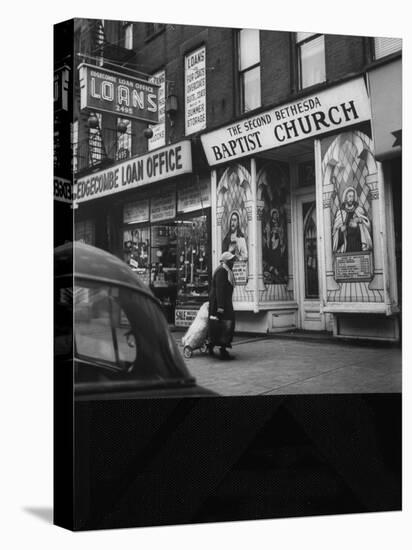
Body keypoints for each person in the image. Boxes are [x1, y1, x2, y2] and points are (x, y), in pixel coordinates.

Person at [208, 251, 236, 360]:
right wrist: (220, 307)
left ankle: (213, 344)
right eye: (231, 260)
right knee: (225, 324)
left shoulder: (226, 271)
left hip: (224, 302)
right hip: (220, 303)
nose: (232, 262)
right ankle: (222, 349)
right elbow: (220, 290)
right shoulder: (222, 272)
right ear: (225, 261)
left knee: (220, 325)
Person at [332, 187, 372, 253]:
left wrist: (357, 226)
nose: (351, 199)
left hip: (357, 243)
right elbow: (335, 232)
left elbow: (367, 227)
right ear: (345, 197)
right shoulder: (341, 212)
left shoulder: (359, 210)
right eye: (350, 196)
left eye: (353, 197)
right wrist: (340, 230)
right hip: (346, 244)